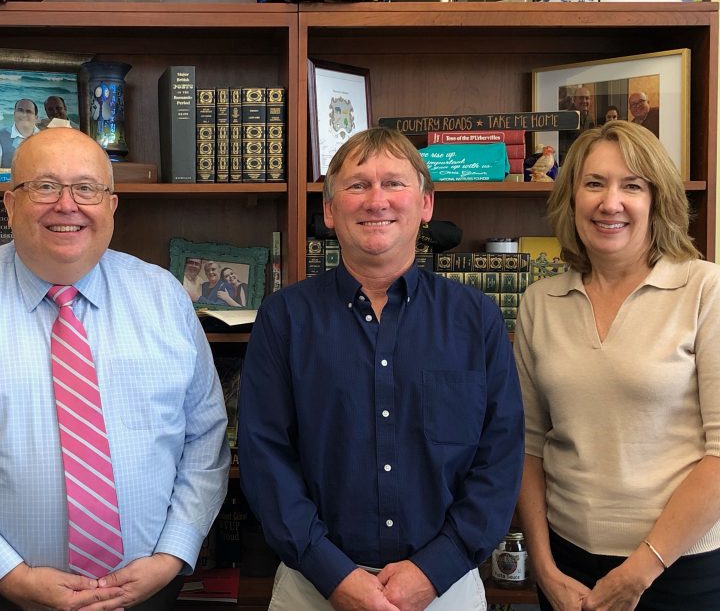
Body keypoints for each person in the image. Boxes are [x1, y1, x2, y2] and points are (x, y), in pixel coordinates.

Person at [0, 127, 230, 610]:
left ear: (111, 205)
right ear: (10, 205)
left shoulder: (165, 298)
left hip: (148, 591)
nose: (67, 205)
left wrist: (174, 552)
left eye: (86, 188)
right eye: (45, 186)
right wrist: (4, 572)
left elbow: (206, 437)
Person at [239, 127, 524, 611]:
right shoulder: (284, 318)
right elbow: (265, 458)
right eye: (357, 185)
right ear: (330, 210)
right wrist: (333, 574)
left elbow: (500, 458)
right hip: (313, 586)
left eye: (394, 183)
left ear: (426, 204)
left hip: (445, 588)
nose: (377, 201)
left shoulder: (476, 318)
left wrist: (434, 569)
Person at [515, 120, 720, 611]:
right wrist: (544, 568)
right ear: (572, 198)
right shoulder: (539, 301)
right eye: (594, 183)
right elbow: (527, 445)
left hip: (678, 567)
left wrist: (638, 571)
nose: (610, 203)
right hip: (566, 564)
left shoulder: (704, 290)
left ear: (657, 199)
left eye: (632, 186)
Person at [0, 97, 39, 169]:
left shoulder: (44, 137)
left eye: (29, 111)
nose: (24, 114)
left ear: (36, 118)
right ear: (14, 114)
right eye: (20, 110)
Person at [559, 86, 596, 162]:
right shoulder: (566, 117)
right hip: (570, 161)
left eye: (587, 98)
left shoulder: (590, 119)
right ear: (574, 100)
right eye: (581, 98)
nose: (584, 101)